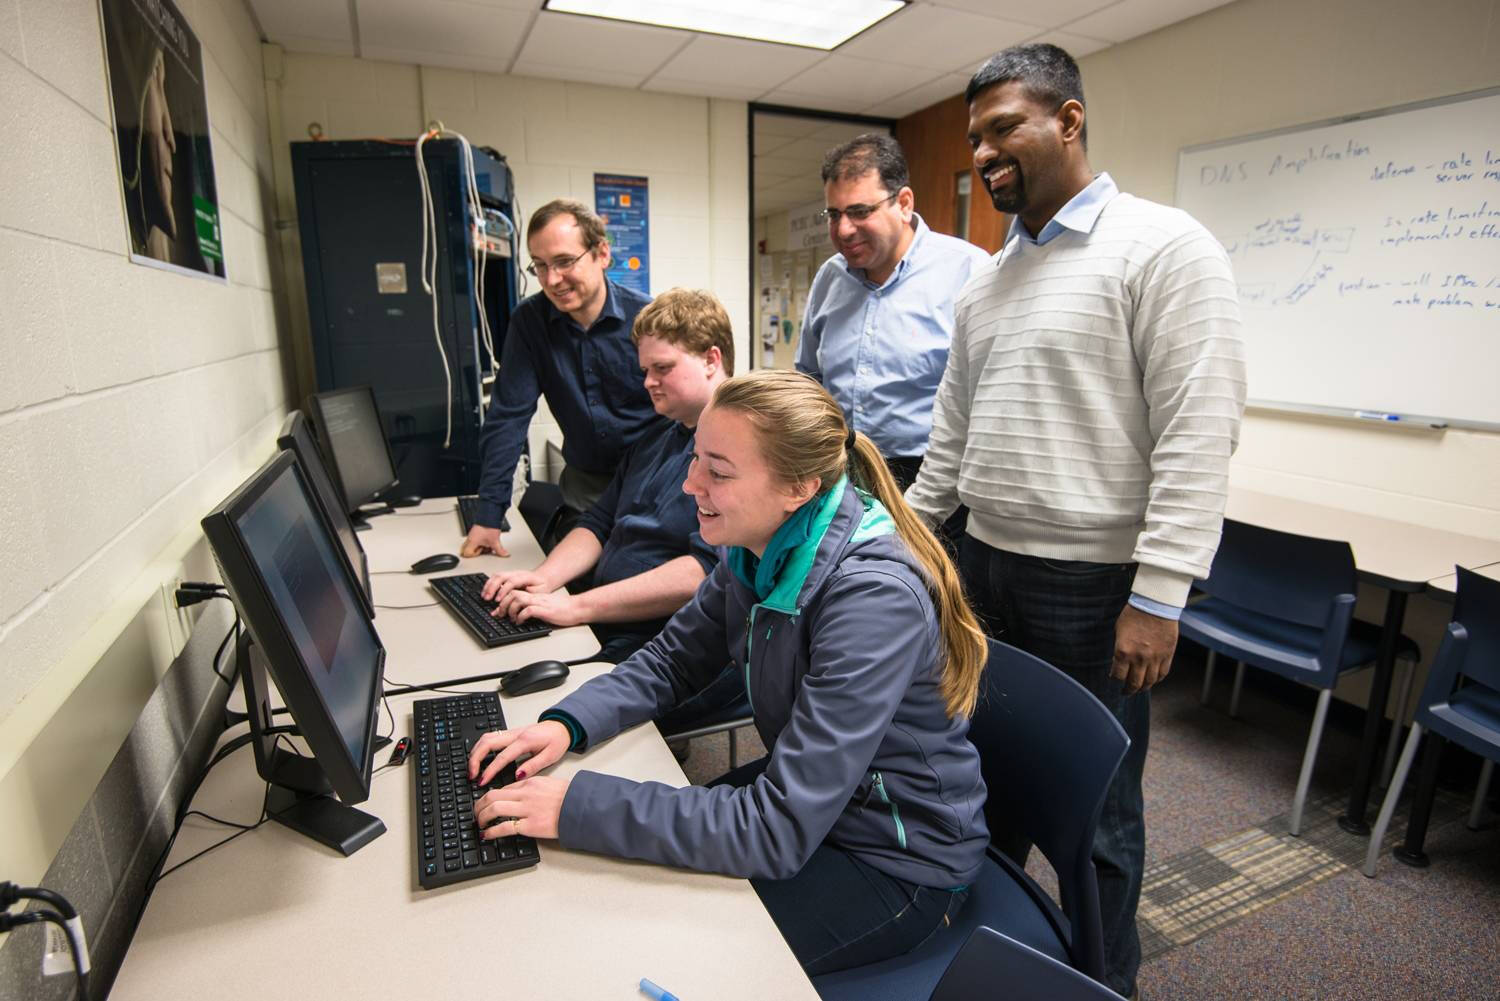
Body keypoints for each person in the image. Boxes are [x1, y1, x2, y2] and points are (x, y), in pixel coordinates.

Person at [905, 44, 1247, 998]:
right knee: (980, 771)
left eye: (1003, 126)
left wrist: (1160, 594)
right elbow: (951, 440)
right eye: (973, 137)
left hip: (1094, 590)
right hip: (984, 570)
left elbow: (1198, 431)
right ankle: (988, 946)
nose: (983, 152)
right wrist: (913, 551)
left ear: (1069, 118)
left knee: (1095, 811)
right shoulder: (990, 278)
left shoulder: (1164, 247)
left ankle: (1105, 978)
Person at [467, 370, 991, 976]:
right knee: (616, 884)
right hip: (821, 804)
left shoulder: (871, 600)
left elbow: (774, 828)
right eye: (696, 460)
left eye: (718, 472)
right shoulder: (755, 544)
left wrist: (577, 804)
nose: (691, 485)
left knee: (653, 955)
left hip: (895, 861)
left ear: (799, 486)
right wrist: (565, 723)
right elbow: (672, 661)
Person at [479, 289, 731, 665]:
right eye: (645, 370)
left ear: (711, 359)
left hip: (670, 643)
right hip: (608, 618)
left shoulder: (736, 452)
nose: (647, 382)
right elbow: (598, 522)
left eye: (662, 368)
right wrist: (544, 579)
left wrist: (577, 608)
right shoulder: (656, 436)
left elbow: (705, 571)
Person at [461, 199, 658, 559]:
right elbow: (508, 417)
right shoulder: (530, 322)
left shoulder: (648, 319)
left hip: (652, 491)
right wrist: (489, 514)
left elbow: (687, 415)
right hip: (585, 490)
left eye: (565, 262)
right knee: (574, 583)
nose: (552, 280)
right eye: (540, 266)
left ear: (601, 253)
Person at [796, 134, 990, 496]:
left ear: (903, 203)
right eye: (834, 214)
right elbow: (809, 376)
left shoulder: (969, 271)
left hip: (935, 477)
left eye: (859, 212)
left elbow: (986, 397)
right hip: (844, 470)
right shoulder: (829, 278)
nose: (843, 230)